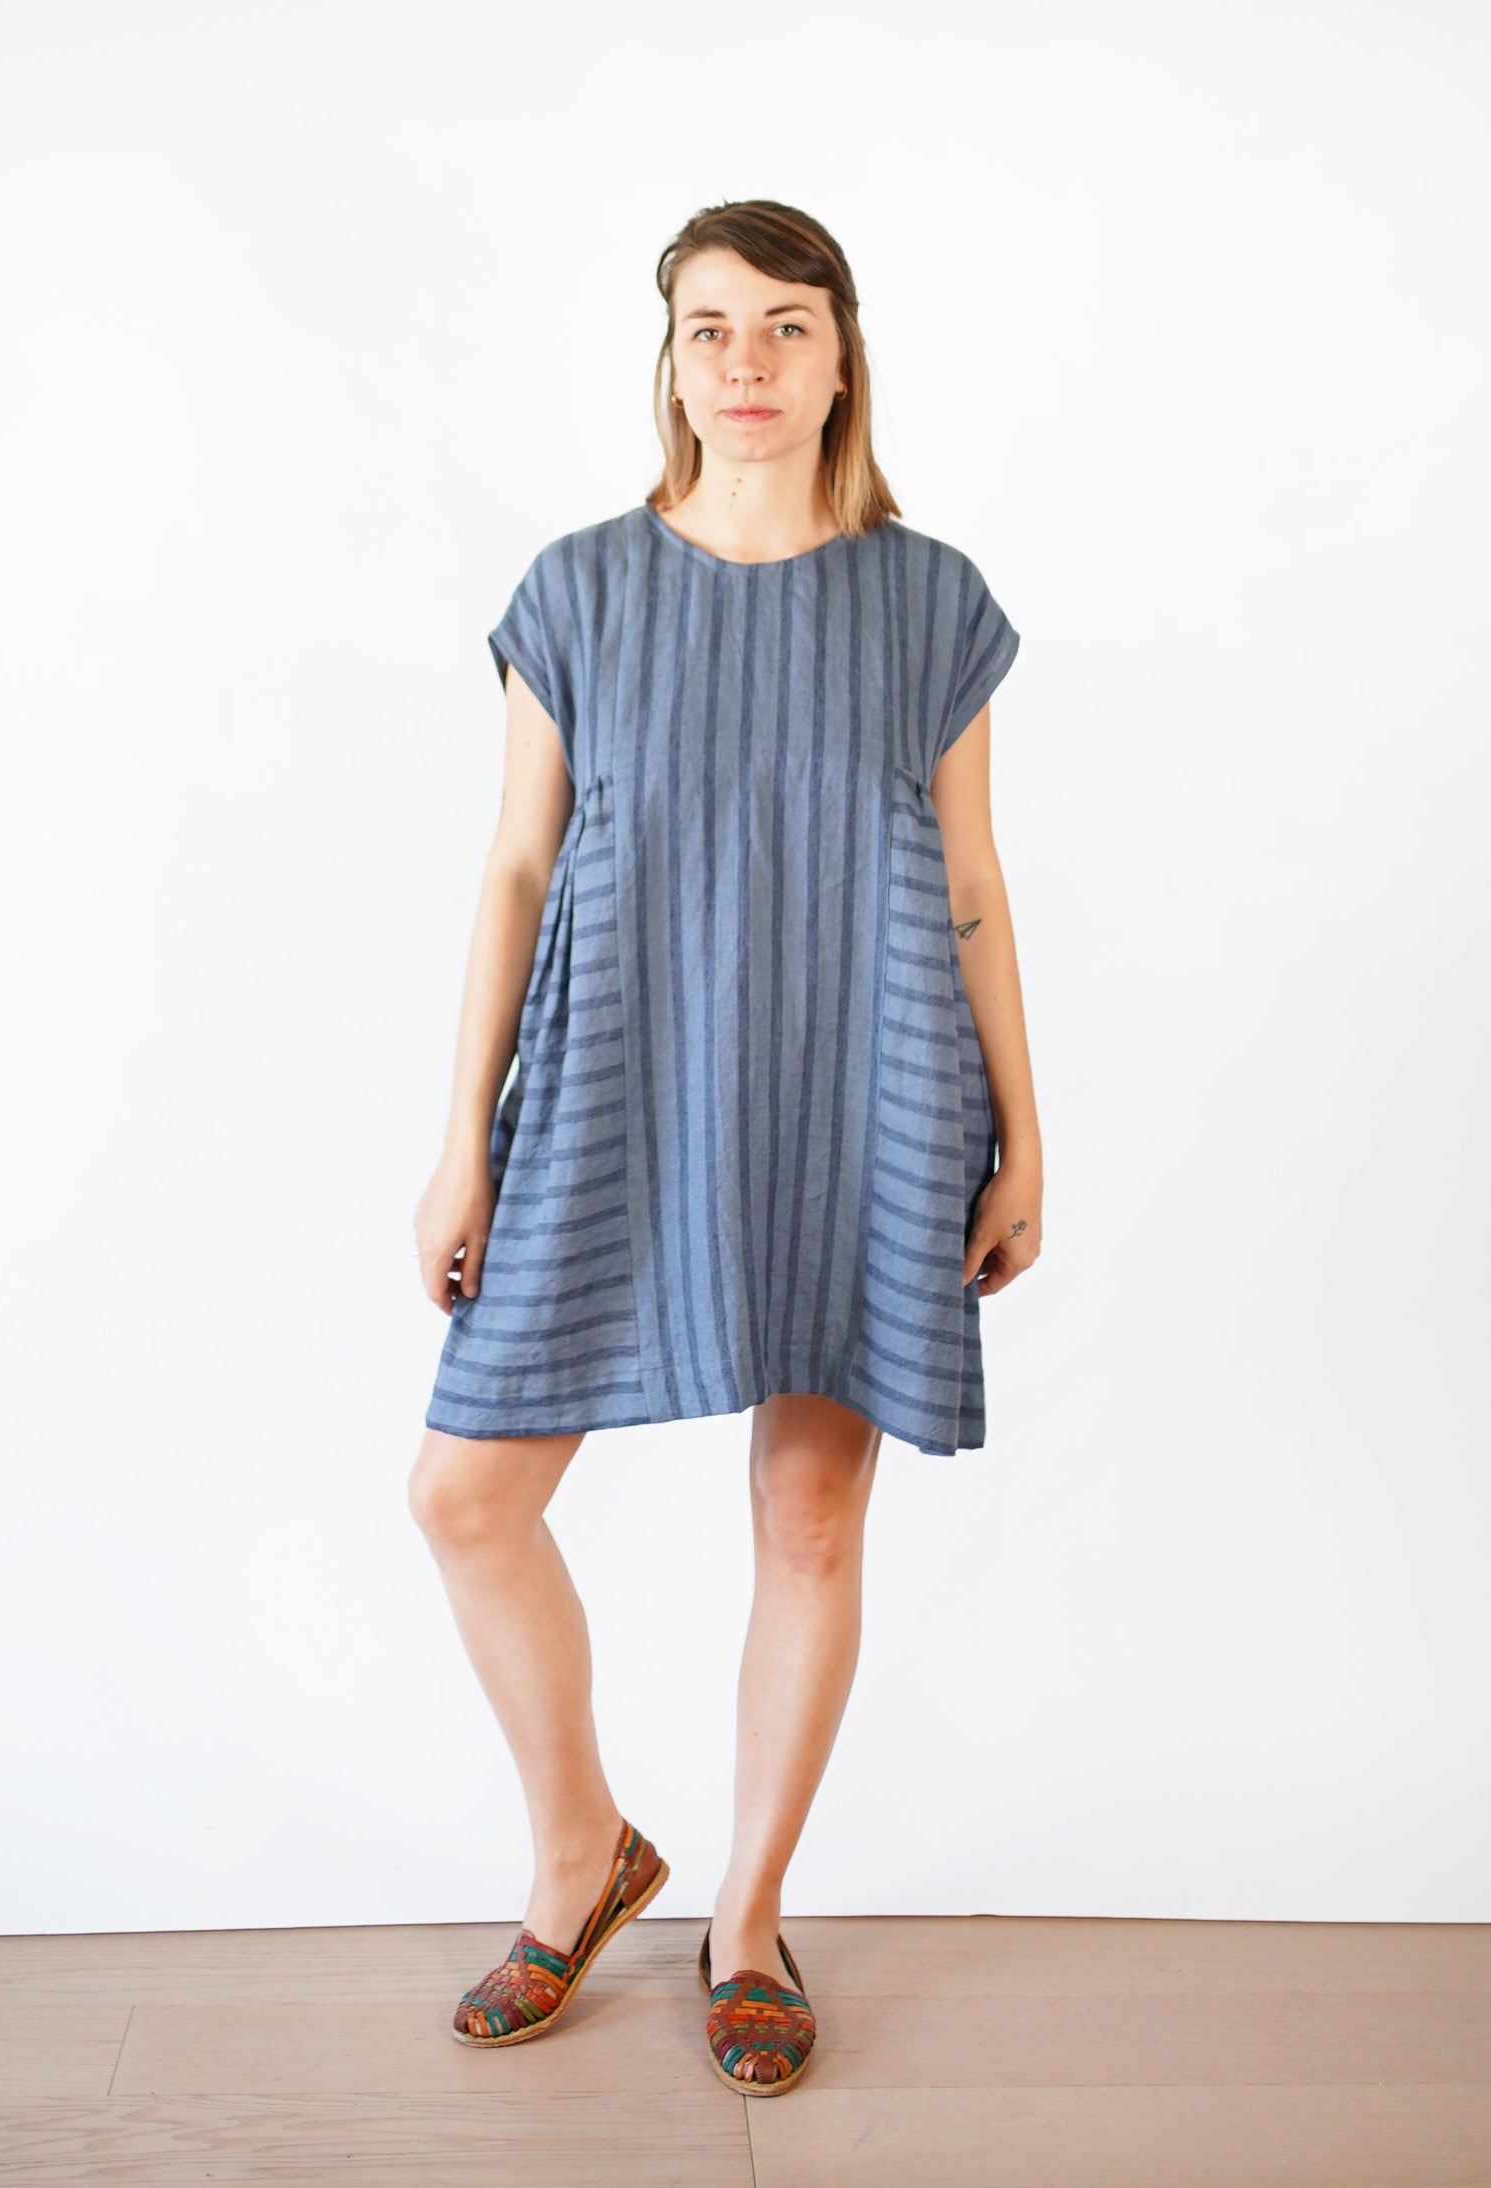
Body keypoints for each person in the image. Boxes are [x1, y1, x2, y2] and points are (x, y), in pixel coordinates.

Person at [406, 198, 1042, 2094]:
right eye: (710, 328)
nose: (747, 362)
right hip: (617, 1075)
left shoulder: (928, 602)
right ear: (671, 364)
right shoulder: (580, 591)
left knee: (811, 1515)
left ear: (844, 359)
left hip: (870, 1085)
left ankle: (749, 1919)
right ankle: (583, 1853)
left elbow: (975, 882)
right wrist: (461, 1141)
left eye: (785, 325)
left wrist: (1023, 1132)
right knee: (465, 1496)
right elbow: (516, 869)